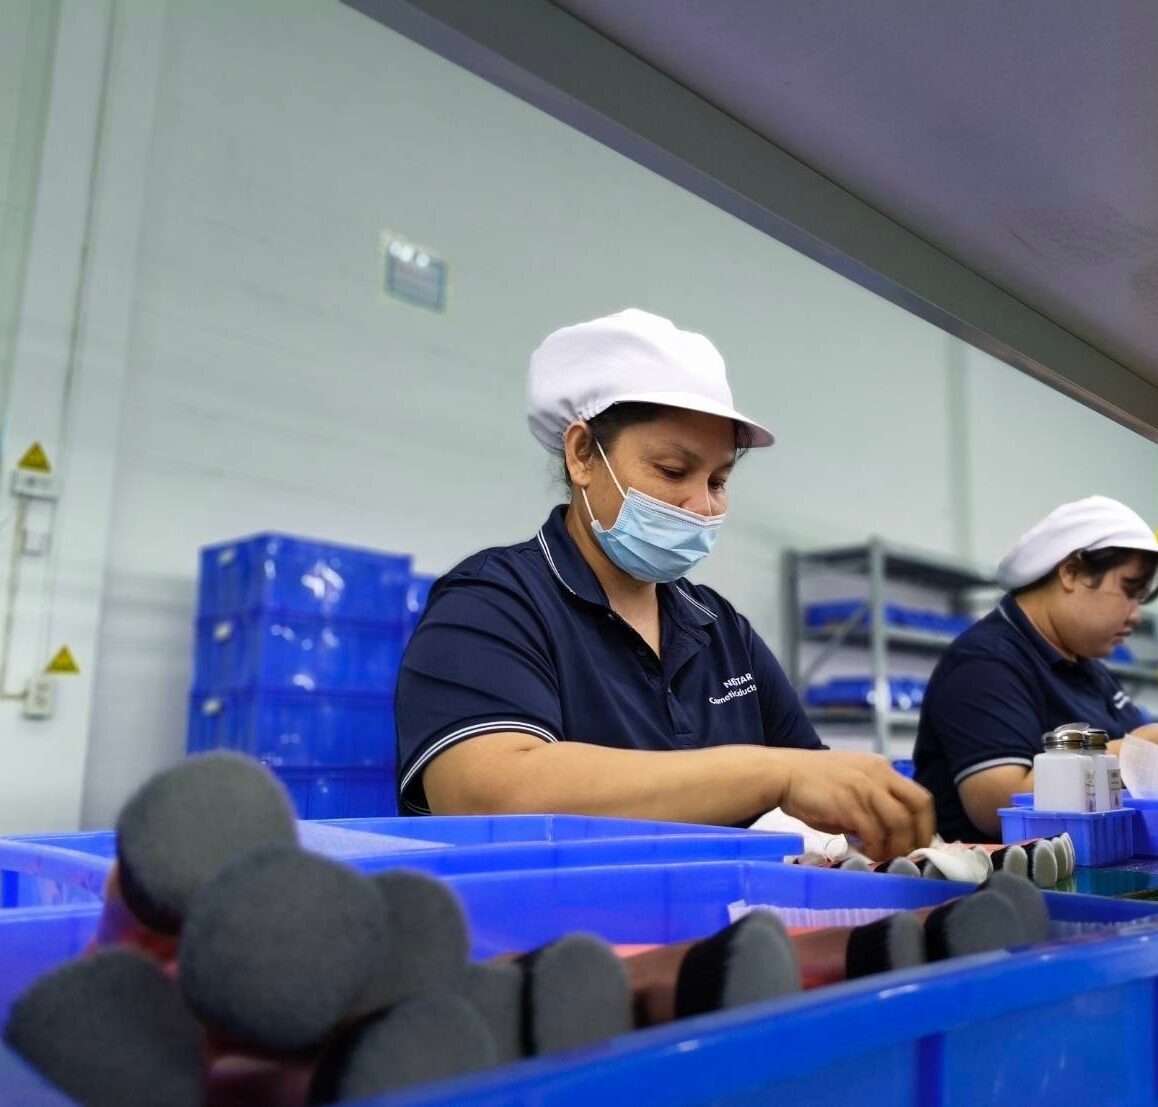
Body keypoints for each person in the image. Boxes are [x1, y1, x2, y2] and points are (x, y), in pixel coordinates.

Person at [395, 309, 933, 859]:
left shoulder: (720, 630)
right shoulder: (493, 603)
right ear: (583, 455)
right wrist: (771, 774)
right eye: (674, 471)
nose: (703, 506)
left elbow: (815, 780)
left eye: (718, 481)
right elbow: (490, 793)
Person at [914, 495, 1158, 841]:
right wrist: (1135, 751)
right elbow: (998, 802)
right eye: (1129, 592)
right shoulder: (984, 664)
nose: (1135, 615)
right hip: (1003, 872)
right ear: (1071, 572)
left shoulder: (1085, 668)